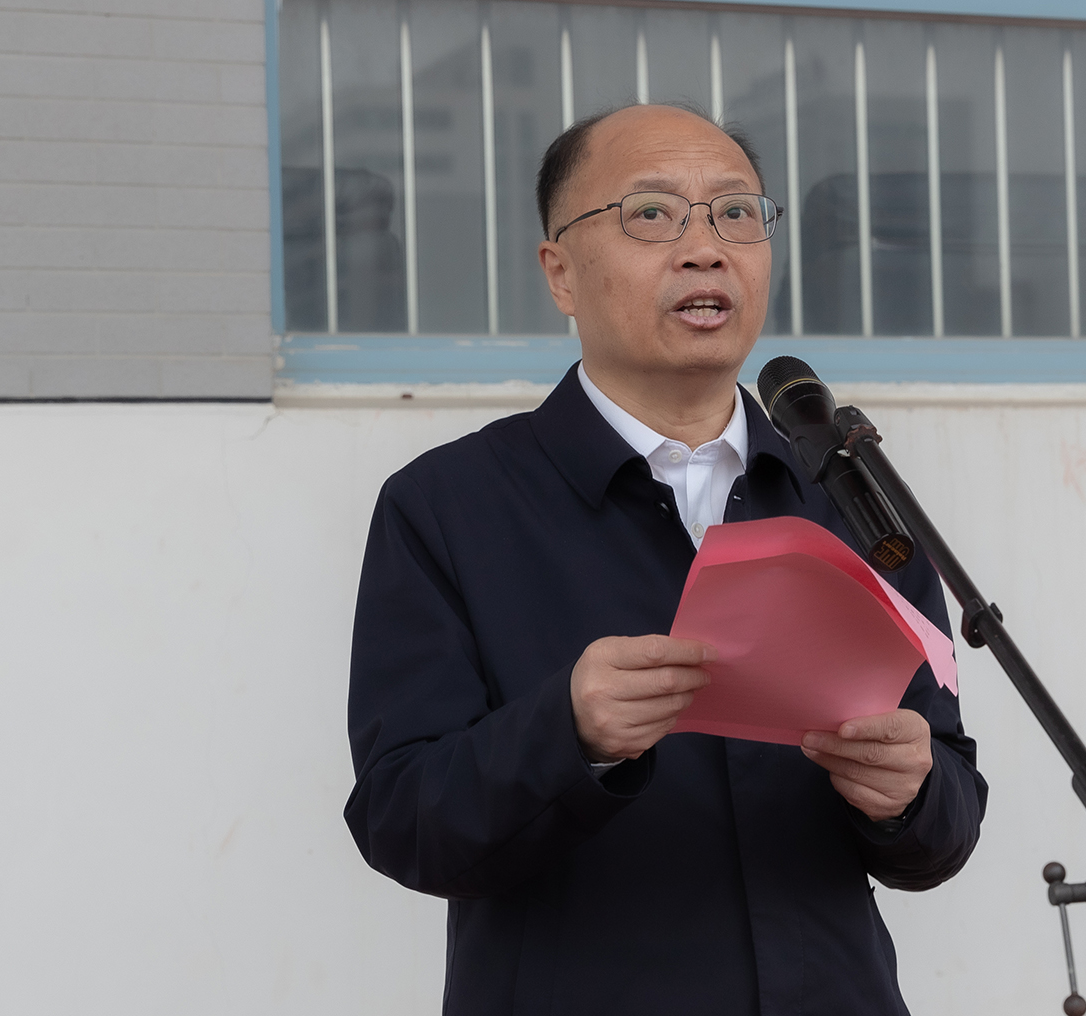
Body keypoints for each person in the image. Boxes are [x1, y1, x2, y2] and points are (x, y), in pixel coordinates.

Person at [345, 104, 988, 1016]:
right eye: (651, 213)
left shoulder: (851, 498)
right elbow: (401, 821)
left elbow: (946, 816)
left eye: (735, 213)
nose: (705, 249)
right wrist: (566, 735)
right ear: (560, 272)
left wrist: (911, 795)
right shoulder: (447, 507)